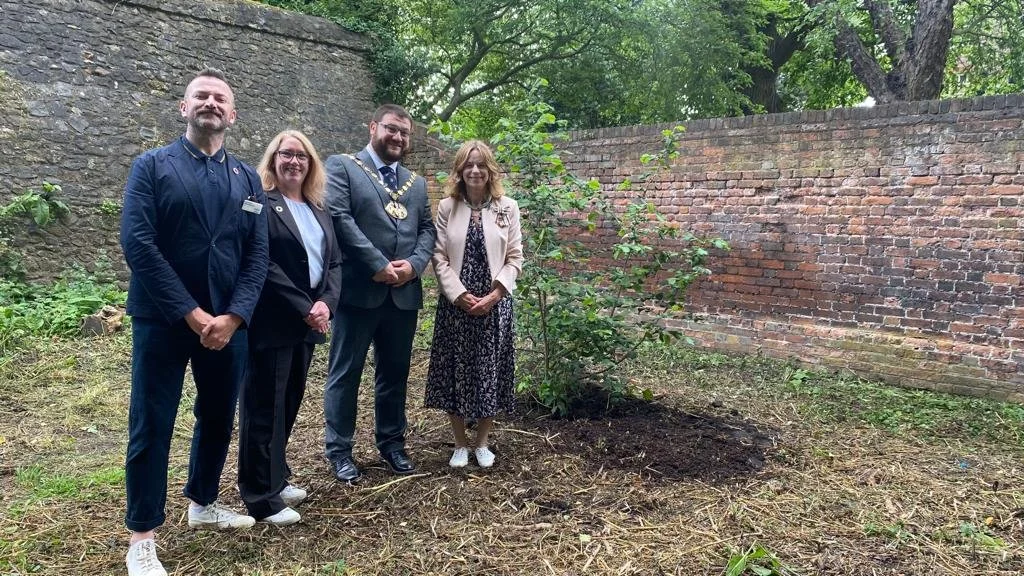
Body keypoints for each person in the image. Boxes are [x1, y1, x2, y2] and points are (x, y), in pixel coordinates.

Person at [119, 68, 268, 576]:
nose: (210, 103)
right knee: (152, 421)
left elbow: (257, 253)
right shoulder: (151, 167)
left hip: (228, 324)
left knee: (218, 416)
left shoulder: (248, 178)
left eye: (219, 98)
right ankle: (142, 535)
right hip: (163, 319)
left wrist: (234, 315)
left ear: (232, 114)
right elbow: (138, 244)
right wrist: (192, 312)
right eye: (200, 96)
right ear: (184, 108)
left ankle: (202, 502)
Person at [322, 104, 436, 482]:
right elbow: (339, 218)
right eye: (391, 129)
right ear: (373, 127)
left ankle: (392, 444)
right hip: (359, 292)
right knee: (346, 373)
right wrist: (378, 264)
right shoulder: (343, 167)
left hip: (403, 295)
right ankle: (339, 450)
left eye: (405, 133)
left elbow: (427, 230)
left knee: (395, 373)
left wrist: (414, 266)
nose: (398, 138)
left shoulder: (416, 183)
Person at [237, 130, 341, 525]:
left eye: (302, 156)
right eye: (286, 155)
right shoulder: (261, 204)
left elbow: (334, 264)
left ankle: (276, 478)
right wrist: (304, 306)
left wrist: (325, 305)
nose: (294, 162)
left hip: (309, 322)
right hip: (273, 321)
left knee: (288, 403)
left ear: (311, 164)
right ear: (273, 159)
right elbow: (262, 263)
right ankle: (260, 497)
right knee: (263, 408)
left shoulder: (318, 208)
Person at [425, 140, 522, 469]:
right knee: (456, 372)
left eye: (481, 164)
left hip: (494, 305)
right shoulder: (447, 208)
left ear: (490, 169)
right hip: (457, 305)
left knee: (489, 373)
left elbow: (515, 259)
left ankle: (482, 443)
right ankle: (459, 444)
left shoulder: (507, 207)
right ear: (460, 170)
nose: (475, 170)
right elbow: (438, 257)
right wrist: (459, 294)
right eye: (469, 164)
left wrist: (495, 294)